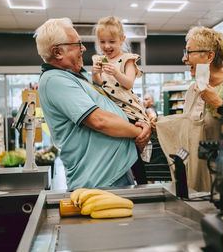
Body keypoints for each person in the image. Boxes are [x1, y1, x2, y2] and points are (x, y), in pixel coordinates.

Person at [34, 18, 150, 190]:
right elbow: (99, 121)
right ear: (58, 52)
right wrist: (138, 133)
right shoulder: (54, 80)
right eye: (78, 44)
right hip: (99, 180)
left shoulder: (77, 75)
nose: (84, 48)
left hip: (113, 173)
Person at [181, 26, 223, 191]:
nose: (184, 59)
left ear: (209, 56)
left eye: (189, 52)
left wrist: (216, 102)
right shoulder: (192, 91)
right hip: (196, 181)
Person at [92, 16, 150, 127]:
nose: (107, 46)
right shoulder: (101, 59)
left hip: (128, 107)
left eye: (112, 41)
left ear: (122, 40)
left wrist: (116, 73)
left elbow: (129, 84)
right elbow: (99, 83)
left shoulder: (127, 59)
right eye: (102, 41)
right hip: (109, 106)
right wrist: (95, 73)